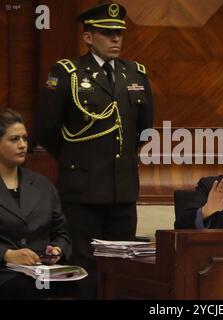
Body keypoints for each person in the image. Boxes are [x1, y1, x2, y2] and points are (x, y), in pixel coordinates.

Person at [35, 2, 153, 299]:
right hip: (82, 189)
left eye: (119, 34)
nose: (116, 39)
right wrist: (78, 160)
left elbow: (143, 129)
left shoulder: (135, 74)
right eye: (106, 33)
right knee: (84, 268)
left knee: (122, 267)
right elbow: (47, 128)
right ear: (88, 37)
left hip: (122, 189)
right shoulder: (68, 72)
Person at [0, 109, 71, 300]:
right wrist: (7, 254)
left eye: (24, 138)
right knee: (24, 288)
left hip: (42, 271)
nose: (23, 145)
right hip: (5, 273)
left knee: (85, 285)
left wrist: (57, 249)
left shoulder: (42, 184)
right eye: (14, 139)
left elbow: (61, 233)